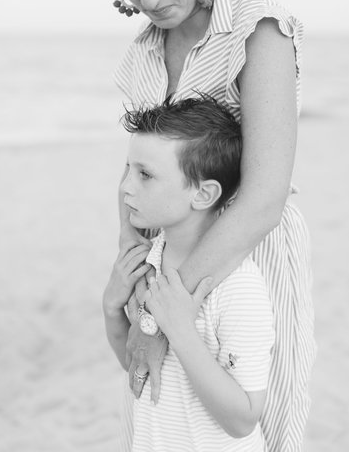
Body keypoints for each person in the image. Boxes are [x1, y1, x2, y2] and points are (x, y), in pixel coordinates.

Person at [97, 0, 316, 451]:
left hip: (246, 259)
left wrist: (157, 321)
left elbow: (265, 196)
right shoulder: (143, 49)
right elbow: (135, 170)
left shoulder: (257, 28)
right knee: (163, 418)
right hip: (165, 262)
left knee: (257, 431)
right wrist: (131, 272)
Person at [106, 96, 275, 452]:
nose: (125, 188)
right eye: (128, 170)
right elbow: (136, 365)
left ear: (203, 194)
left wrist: (180, 331)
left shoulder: (237, 289)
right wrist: (111, 309)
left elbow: (243, 419)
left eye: (145, 175)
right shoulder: (148, 260)